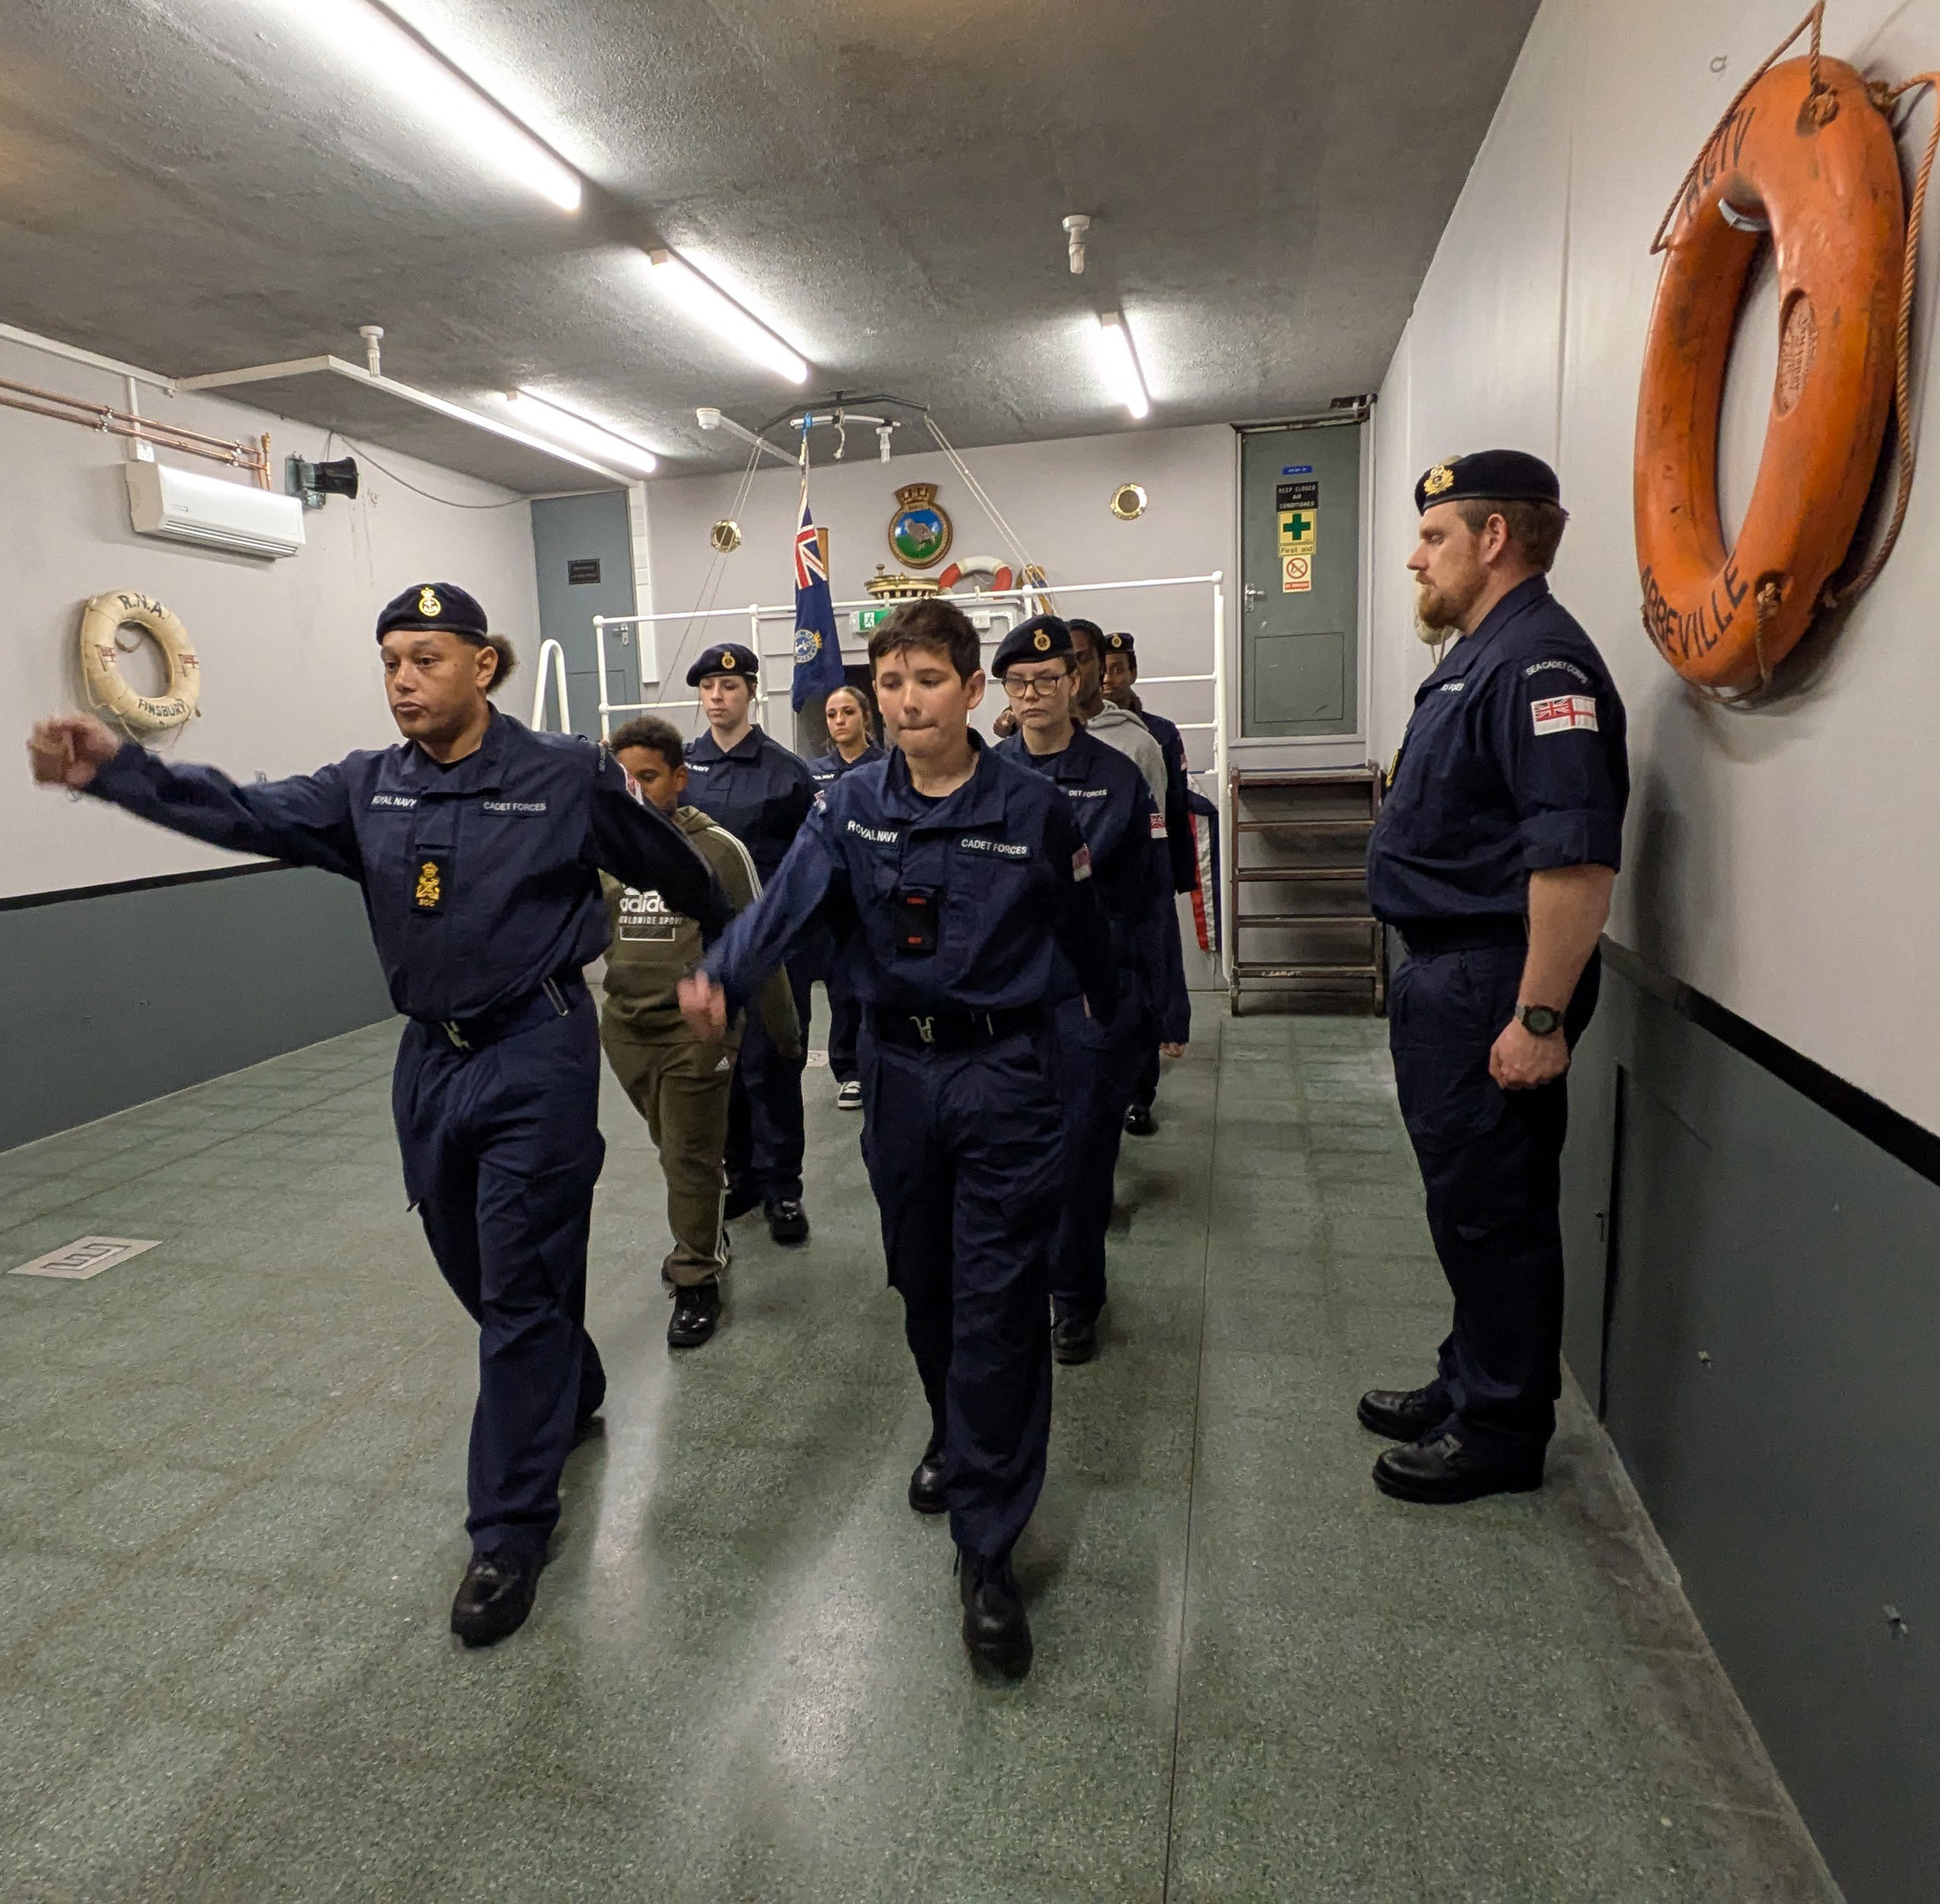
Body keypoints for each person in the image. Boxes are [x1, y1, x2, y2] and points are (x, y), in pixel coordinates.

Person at [27, 583, 729, 1645]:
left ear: (482, 666)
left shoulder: (559, 778)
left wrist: (723, 961)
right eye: (391, 662)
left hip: (533, 1049)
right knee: (482, 1276)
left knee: (523, 1284)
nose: (403, 680)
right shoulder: (369, 788)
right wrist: (118, 771)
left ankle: (507, 1530)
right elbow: (242, 808)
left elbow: (674, 868)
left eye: (426, 660)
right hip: (431, 1062)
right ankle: (566, 1381)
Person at [677, 598, 1116, 1680]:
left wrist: (1117, 1047)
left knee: (1000, 1298)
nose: (907, 700)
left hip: (1006, 1073)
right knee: (923, 1282)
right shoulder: (848, 805)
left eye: (928, 681)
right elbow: (785, 904)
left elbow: (1087, 937)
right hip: (900, 1077)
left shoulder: (1032, 806)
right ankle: (954, 1435)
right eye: (891, 683)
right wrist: (723, 975)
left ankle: (989, 1545)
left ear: (972, 693)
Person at [1361, 452, 1628, 1505]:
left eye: (1433, 538)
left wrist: (1538, 1014)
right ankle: (1468, 1378)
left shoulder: (1539, 666)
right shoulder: (1483, 653)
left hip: (1492, 980)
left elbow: (1573, 859)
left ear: (1495, 538)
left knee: (1495, 1213)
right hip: (1452, 975)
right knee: (1463, 1200)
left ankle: (1502, 1431)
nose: (1415, 557)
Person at [993, 615, 1186, 1365]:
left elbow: (1145, 903)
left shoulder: (1115, 778)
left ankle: (1074, 1298)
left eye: (1048, 679)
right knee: (1010, 1156)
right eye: (1019, 682)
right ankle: (1017, 1286)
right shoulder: (990, 777)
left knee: (1080, 1159)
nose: (1034, 693)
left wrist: (1166, 1008)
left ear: (1075, 683)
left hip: (1086, 998)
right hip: (1006, 1001)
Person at [599, 715, 800, 1349]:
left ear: (680, 779)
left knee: (687, 1155)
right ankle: (706, 1225)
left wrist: (784, 1033)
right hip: (625, 1025)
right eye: (624, 780)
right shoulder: (601, 846)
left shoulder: (716, 849)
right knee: (674, 1150)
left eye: (649, 778)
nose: (636, 792)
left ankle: (695, 1278)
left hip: (696, 1029)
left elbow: (759, 940)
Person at [680, 643, 818, 1247]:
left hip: (770, 951)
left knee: (774, 1068)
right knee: (721, 1071)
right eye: (708, 686)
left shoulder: (786, 771)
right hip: (705, 946)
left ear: (750, 693)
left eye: (729, 687)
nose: (717, 696)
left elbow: (809, 865)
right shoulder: (685, 769)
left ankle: (783, 1188)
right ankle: (742, 1177)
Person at [1101, 630, 1195, 1137]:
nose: (1110, 678)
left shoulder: (1154, 734)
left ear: (1132, 674)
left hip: (1146, 867)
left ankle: (1141, 1093)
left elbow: (1171, 805)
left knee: (1144, 976)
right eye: (1103, 668)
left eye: (1119, 669)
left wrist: (1176, 872)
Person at [806, 681, 885, 1112]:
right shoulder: (813, 772)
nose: (839, 720)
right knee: (840, 986)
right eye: (833, 714)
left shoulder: (889, 766)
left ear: (865, 717)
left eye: (848, 712)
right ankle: (849, 1069)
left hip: (878, 891)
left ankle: (882, 1064)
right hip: (836, 894)